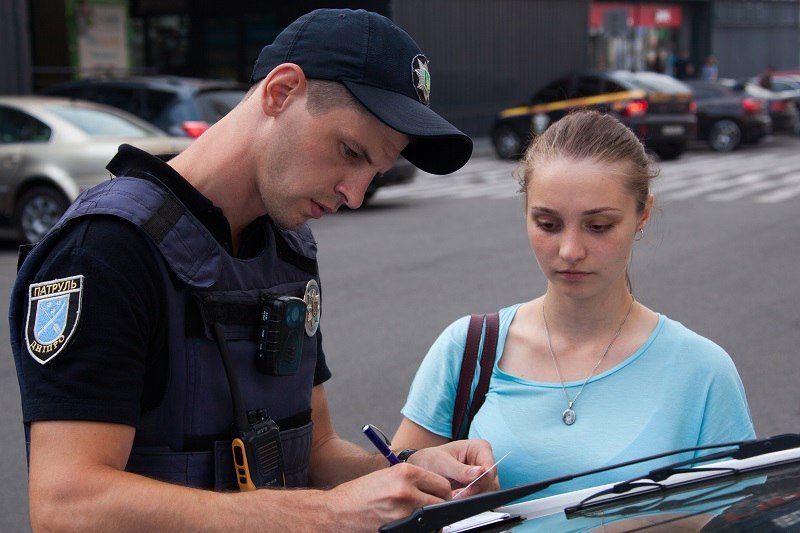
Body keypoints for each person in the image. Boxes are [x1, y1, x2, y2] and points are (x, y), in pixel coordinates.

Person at [8, 9, 498, 531]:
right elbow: (66, 505)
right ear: (281, 91)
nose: (354, 195)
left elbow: (315, 449)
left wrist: (405, 473)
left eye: (374, 171)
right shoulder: (106, 250)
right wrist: (323, 513)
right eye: (350, 152)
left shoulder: (287, 247)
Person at [393, 110, 755, 498]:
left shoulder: (702, 372)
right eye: (547, 224)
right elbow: (394, 486)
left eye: (598, 226)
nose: (569, 250)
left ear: (643, 214)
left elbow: (739, 515)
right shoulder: (469, 348)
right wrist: (428, 481)